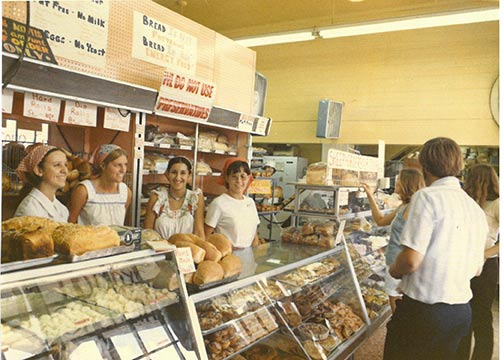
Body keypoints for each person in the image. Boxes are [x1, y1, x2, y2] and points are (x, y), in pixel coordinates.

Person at [384, 137, 488, 360]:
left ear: (424, 165)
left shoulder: (426, 197)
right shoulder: (474, 208)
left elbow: (410, 261)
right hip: (460, 313)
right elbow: (477, 269)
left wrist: (394, 270)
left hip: (424, 314)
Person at [361, 168, 425, 312]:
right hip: (395, 263)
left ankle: (400, 333)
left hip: (399, 265)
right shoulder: (403, 206)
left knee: (397, 307)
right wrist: (370, 195)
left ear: (406, 184)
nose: (396, 183)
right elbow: (380, 220)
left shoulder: (412, 208)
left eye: (398, 180)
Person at [456, 164, 499, 360]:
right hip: (464, 264)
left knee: (481, 317)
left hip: (486, 265)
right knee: (464, 315)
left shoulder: (497, 203)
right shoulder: (468, 203)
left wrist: (483, 254)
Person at [68, 144, 132, 226]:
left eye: (125, 165)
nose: (123, 170)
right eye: (117, 165)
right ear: (102, 165)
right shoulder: (84, 190)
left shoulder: (126, 192)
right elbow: (70, 224)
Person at [144, 156, 205, 239]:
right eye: (174, 172)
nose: (178, 177)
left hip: (187, 250)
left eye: (183, 173)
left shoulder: (195, 198)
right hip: (160, 250)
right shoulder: (157, 198)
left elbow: (199, 232)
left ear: (189, 176)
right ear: (167, 174)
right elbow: (147, 233)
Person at [205, 157, 260, 248]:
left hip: (249, 256)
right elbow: (206, 236)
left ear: (249, 178)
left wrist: (255, 255)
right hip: (228, 257)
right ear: (227, 178)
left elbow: (254, 236)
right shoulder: (218, 203)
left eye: (243, 176)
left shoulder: (250, 202)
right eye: (234, 176)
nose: (239, 181)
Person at [14, 144, 69, 222]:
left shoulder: (62, 209)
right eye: (57, 165)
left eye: (65, 165)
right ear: (39, 170)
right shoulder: (30, 210)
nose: (64, 171)